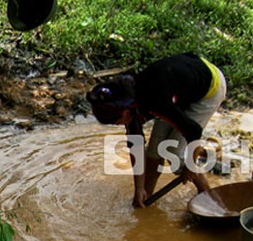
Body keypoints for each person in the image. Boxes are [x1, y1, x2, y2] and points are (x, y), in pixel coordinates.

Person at [86, 53, 227, 208]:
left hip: (209, 88)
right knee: (154, 152)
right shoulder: (129, 100)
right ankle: (146, 196)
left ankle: (211, 200)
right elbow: (137, 148)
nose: (119, 125)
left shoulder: (155, 102)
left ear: (125, 111)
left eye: (116, 121)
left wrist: (190, 166)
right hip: (181, 88)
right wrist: (138, 189)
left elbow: (193, 132)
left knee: (173, 154)